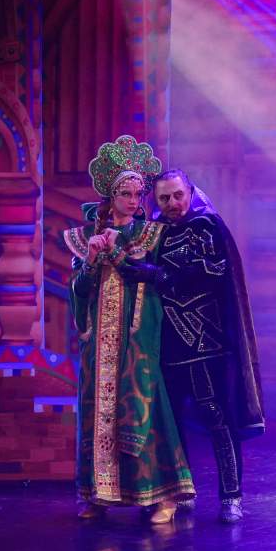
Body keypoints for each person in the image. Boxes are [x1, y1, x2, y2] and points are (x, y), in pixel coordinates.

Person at [119, 169, 264, 523]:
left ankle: (231, 496)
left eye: (177, 195)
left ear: (189, 193)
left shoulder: (207, 226)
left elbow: (213, 272)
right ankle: (182, 491)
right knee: (170, 423)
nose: (172, 203)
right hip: (166, 345)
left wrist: (158, 275)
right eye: (164, 198)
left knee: (217, 417)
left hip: (205, 343)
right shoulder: (155, 232)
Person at [63, 135, 195, 525]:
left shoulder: (150, 235)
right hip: (98, 344)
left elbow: (155, 278)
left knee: (142, 409)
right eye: (126, 193)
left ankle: (164, 496)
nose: (135, 200)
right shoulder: (86, 238)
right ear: (111, 195)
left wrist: (116, 252)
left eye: (139, 194)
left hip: (137, 339)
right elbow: (79, 291)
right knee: (97, 412)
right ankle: (97, 494)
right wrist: (91, 259)